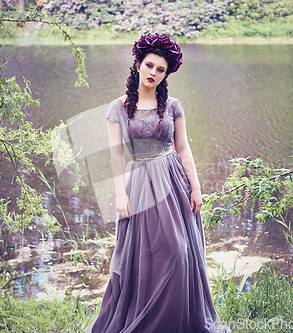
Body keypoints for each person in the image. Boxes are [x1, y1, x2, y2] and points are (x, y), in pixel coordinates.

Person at [86, 33, 225, 333]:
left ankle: (178, 322)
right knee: (145, 259)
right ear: (137, 64)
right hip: (139, 185)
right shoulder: (118, 108)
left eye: (160, 70)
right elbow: (116, 156)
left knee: (179, 252)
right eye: (149, 65)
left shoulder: (173, 105)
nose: (153, 73)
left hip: (173, 183)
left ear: (166, 74)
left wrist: (196, 187)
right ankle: (147, 322)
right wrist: (120, 194)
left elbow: (183, 148)